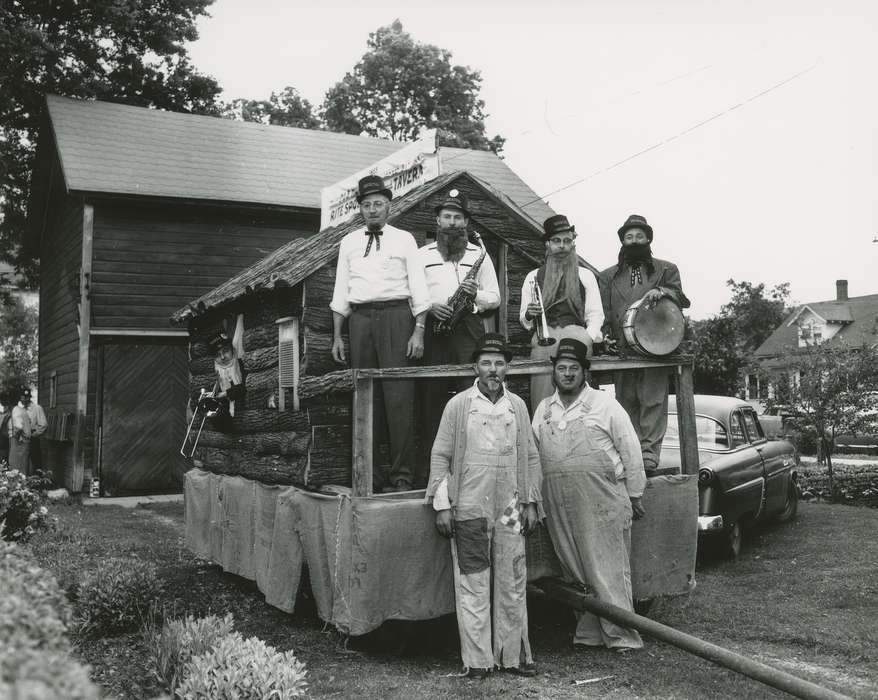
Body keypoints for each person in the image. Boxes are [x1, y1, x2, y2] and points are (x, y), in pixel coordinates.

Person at [426, 333, 543, 679]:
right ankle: (478, 662)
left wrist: (530, 502)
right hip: (471, 508)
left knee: (512, 580)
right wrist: (443, 505)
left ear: (508, 367)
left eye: (500, 363)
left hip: (509, 507)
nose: (493, 369)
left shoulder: (517, 406)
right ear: (475, 366)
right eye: (487, 363)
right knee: (474, 583)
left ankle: (513, 658)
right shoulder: (460, 405)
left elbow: (532, 457)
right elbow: (440, 455)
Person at [532, 337, 646, 651]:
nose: (567, 374)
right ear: (553, 372)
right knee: (575, 570)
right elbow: (533, 454)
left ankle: (622, 635)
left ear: (585, 372)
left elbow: (630, 451)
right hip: (558, 502)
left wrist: (635, 494)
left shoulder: (604, 405)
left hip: (601, 500)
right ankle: (591, 632)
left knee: (606, 569)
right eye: (561, 368)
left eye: (574, 369)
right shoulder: (544, 409)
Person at [330, 174, 431, 492]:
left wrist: (418, 331)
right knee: (365, 398)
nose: (373, 210)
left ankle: (401, 477)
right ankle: (369, 476)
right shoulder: (348, 242)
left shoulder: (404, 239)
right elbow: (341, 292)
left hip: (397, 318)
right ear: (360, 209)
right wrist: (337, 335)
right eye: (367, 205)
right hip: (360, 321)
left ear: (389, 206)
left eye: (378, 204)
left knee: (399, 398)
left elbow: (418, 288)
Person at [418, 188, 500, 482]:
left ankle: (474, 464)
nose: (452, 223)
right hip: (436, 328)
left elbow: (495, 297)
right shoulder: (422, 255)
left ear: (465, 223)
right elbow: (413, 294)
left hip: (468, 328)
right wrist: (430, 307)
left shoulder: (480, 255)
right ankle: (432, 470)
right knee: (432, 396)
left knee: (472, 394)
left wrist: (476, 296)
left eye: (458, 218)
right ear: (437, 221)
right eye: (447, 217)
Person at [598, 214, 690, 472]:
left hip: (656, 350)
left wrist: (662, 292)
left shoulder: (666, 269)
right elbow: (603, 311)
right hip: (623, 351)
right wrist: (605, 337)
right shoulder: (607, 277)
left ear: (648, 239)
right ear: (622, 242)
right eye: (629, 237)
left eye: (639, 236)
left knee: (653, 402)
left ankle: (649, 456)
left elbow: (680, 298)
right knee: (625, 401)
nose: (634, 241)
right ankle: (630, 453)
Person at [520, 214, 604, 411]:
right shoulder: (533, 276)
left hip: (577, 335)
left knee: (578, 393)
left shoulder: (586, 275)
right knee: (542, 396)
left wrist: (587, 337)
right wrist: (530, 315)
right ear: (547, 245)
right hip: (544, 337)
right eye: (556, 241)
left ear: (573, 244)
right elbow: (524, 319)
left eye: (567, 241)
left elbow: (595, 314)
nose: (562, 246)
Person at [7, 387, 35, 474]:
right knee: (23, 464)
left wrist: (15, 437)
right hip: (24, 441)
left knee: (16, 465)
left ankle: (19, 484)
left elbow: (18, 427)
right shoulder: (21, 410)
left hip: (19, 441)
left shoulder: (15, 410)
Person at [25, 391, 47, 472]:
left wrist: (34, 434)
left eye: (26, 397)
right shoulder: (21, 409)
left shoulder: (37, 408)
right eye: (22, 397)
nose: (24, 399)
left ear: (29, 397)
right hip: (23, 438)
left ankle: (38, 482)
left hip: (33, 438)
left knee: (36, 461)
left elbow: (43, 424)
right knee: (25, 461)